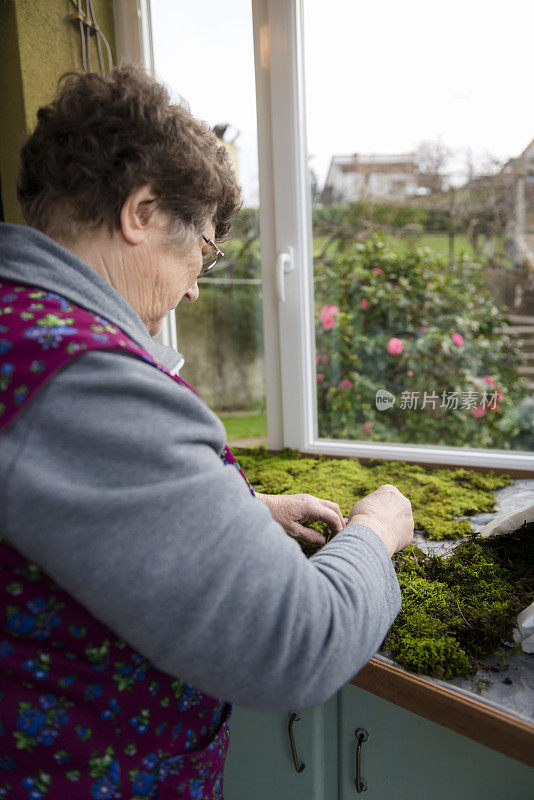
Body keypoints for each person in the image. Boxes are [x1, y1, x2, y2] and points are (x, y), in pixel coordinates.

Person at [0, 66, 413, 799]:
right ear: (143, 211)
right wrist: (376, 533)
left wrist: (240, 512)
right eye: (204, 251)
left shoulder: (19, 326)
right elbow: (297, 643)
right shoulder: (81, 375)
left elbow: (51, 512)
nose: (195, 285)